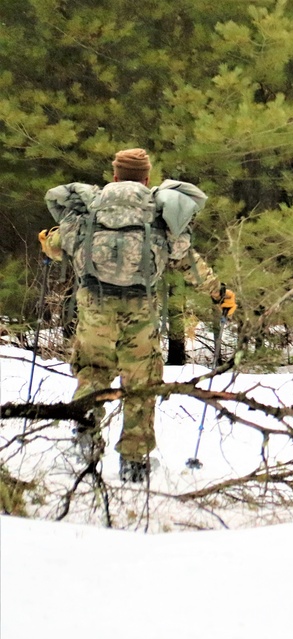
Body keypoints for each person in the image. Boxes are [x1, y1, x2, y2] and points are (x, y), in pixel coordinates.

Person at [39, 148, 232, 484]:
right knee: (141, 384)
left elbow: (56, 246)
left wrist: (48, 242)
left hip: (94, 309)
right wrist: (219, 294)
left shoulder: (89, 209)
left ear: (114, 176)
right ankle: (134, 461)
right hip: (140, 312)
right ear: (147, 178)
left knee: (93, 374)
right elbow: (189, 263)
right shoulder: (159, 213)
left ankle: (86, 442)